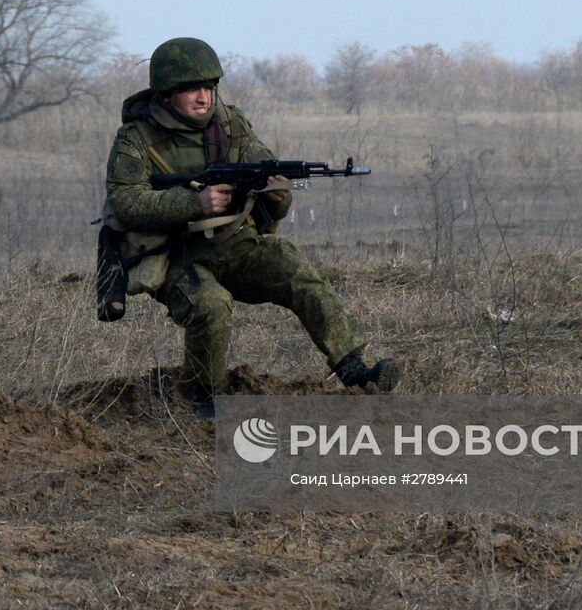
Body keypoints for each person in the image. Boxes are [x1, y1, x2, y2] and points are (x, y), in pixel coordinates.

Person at [105, 37, 399, 420]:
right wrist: (194, 203)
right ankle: (203, 397)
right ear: (165, 94)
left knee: (295, 270)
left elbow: (265, 172)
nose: (203, 97)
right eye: (192, 89)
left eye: (209, 87)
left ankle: (355, 369)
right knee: (211, 306)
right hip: (178, 256)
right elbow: (125, 202)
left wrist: (279, 196)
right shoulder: (136, 138)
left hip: (235, 246)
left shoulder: (231, 124)